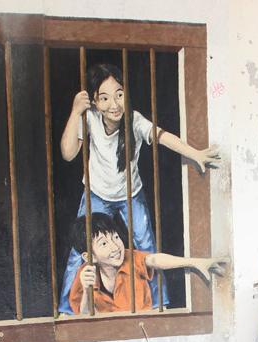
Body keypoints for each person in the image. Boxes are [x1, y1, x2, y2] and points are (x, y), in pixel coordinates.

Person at [59, 63, 220, 315]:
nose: (114, 104)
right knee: (80, 251)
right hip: (96, 194)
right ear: (94, 102)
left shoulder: (134, 120)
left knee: (146, 248)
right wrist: (75, 111)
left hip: (130, 194)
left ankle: (158, 305)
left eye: (119, 94)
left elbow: (163, 136)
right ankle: (69, 312)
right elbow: (68, 154)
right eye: (104, 98)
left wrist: (195, 153)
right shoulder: (88, 118)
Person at [68, 213, 225, 315]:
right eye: (103, 244)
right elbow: (84, 317)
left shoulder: (130, 257)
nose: (115, 247)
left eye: (115, 237)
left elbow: (155, 260)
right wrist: (87, 289)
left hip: (142, 329)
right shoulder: (85, 274)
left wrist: (194, 262)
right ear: (89, 256)